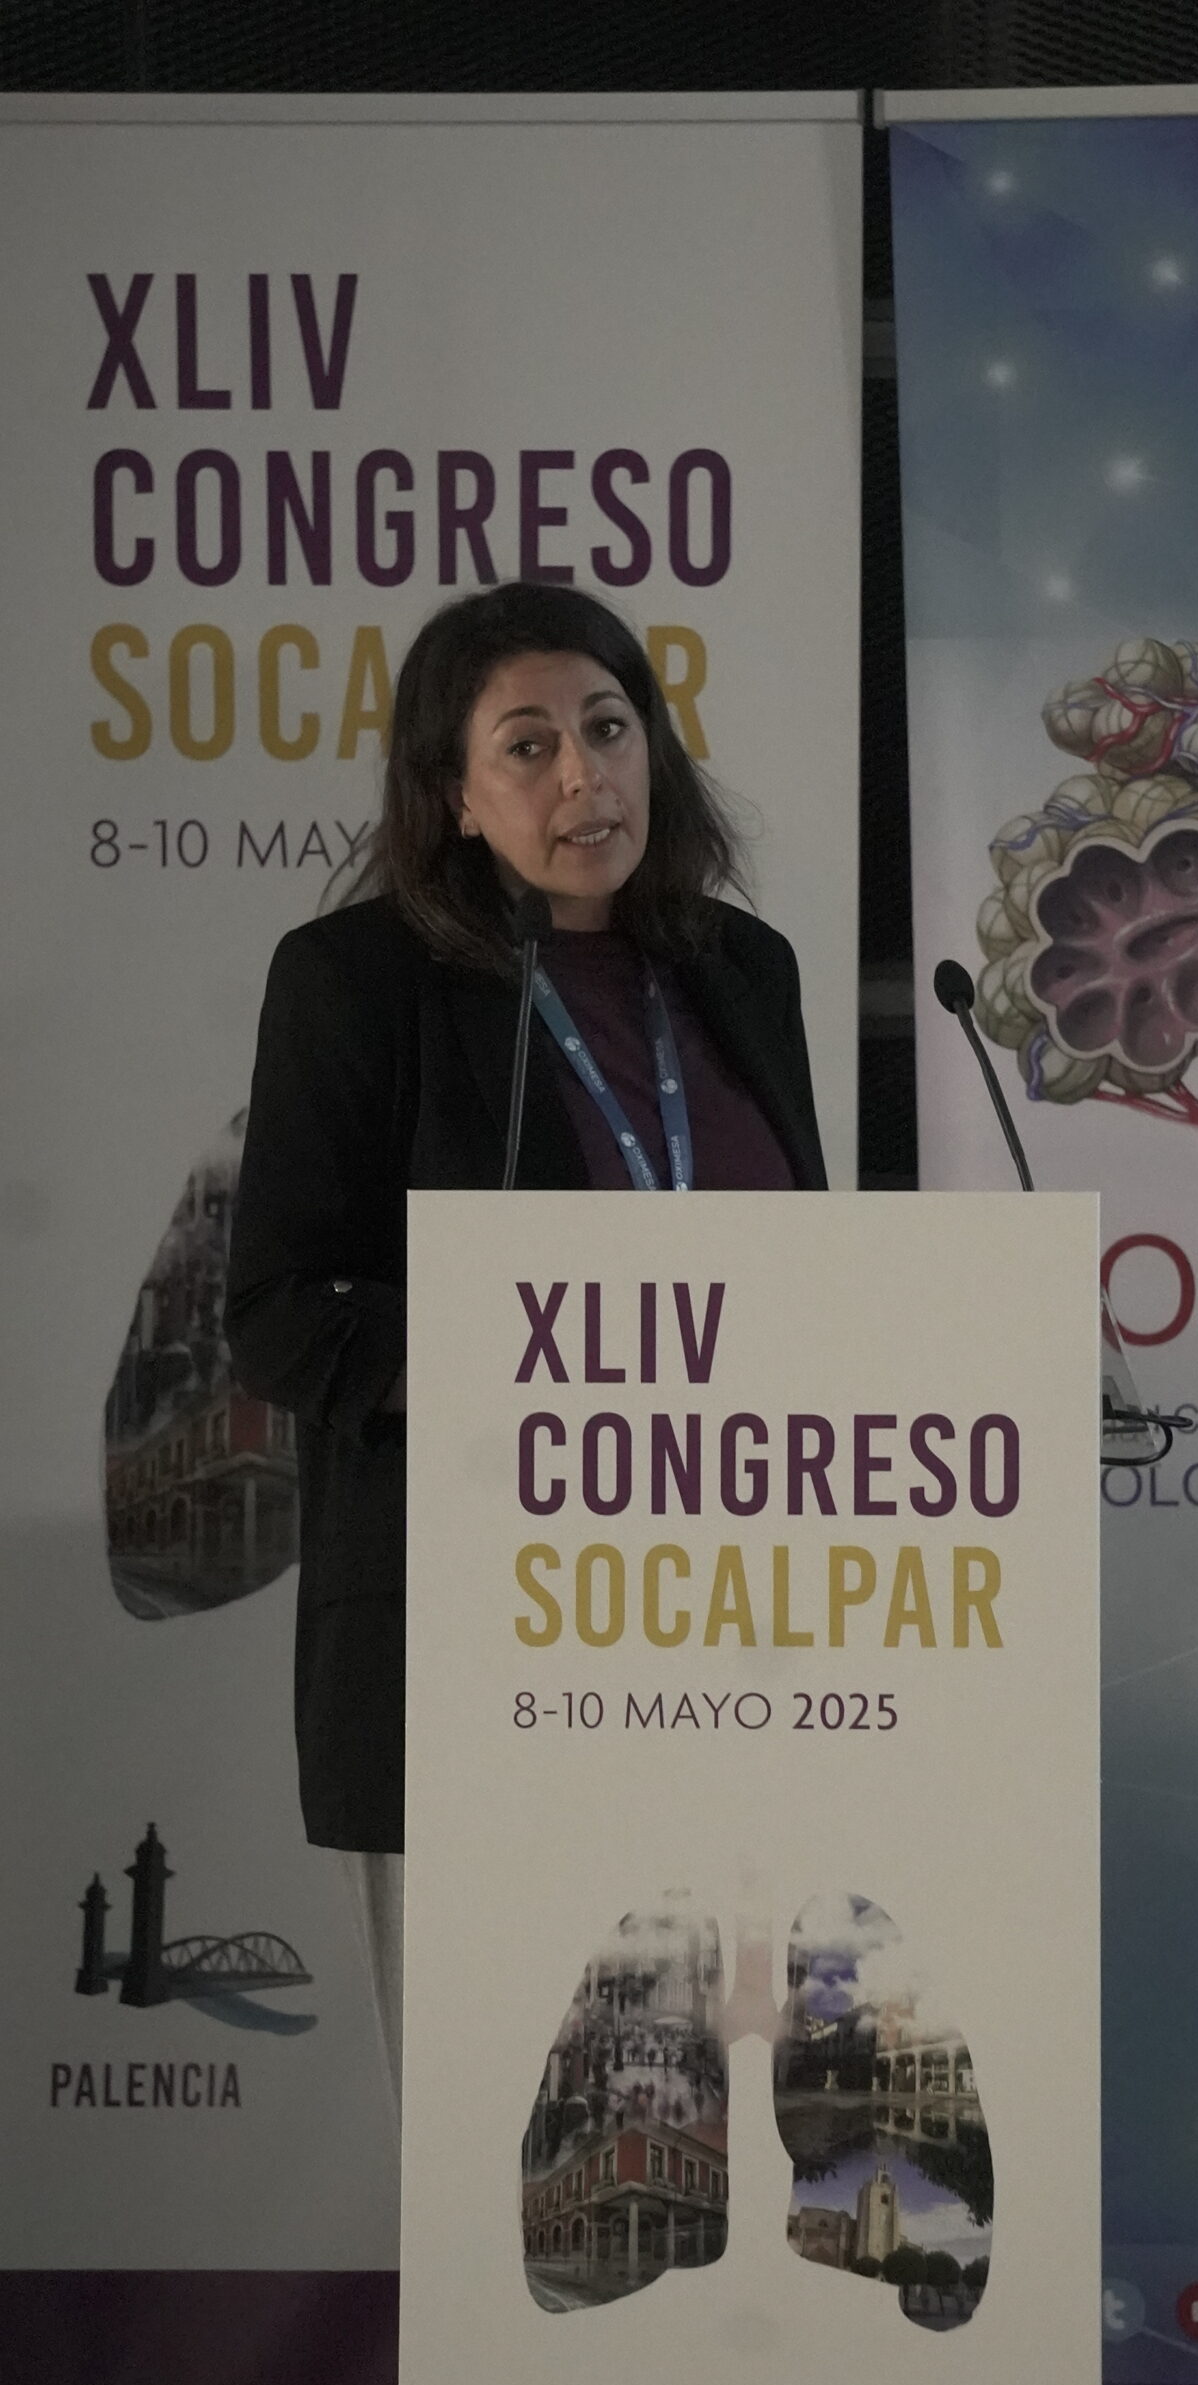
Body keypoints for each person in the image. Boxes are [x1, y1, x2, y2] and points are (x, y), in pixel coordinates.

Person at [226, 583, 827, 2102]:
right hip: (470, 1643)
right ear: (453, 792)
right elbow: (281, 1313)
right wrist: (534, 1365)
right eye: (530, 745)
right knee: (494, 2148)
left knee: (713, 2127)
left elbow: (809, 1284)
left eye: (609, 729)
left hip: (733, 1639)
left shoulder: (745, 971)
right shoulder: (356, 982)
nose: (584, 777)